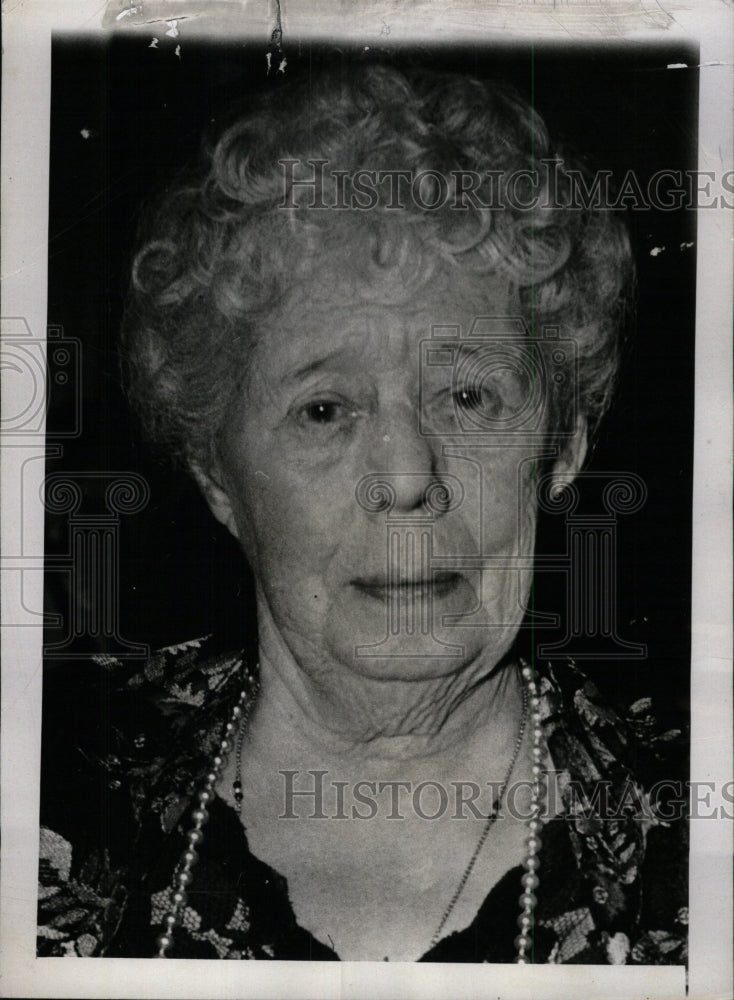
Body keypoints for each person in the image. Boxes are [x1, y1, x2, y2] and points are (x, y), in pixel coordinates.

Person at [37, 63, 687, 963]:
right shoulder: (49, 802)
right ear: (218, 477)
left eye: (468, 396)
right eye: (324, 410)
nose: (407, 475)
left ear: (563, 447)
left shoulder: (689, 846)